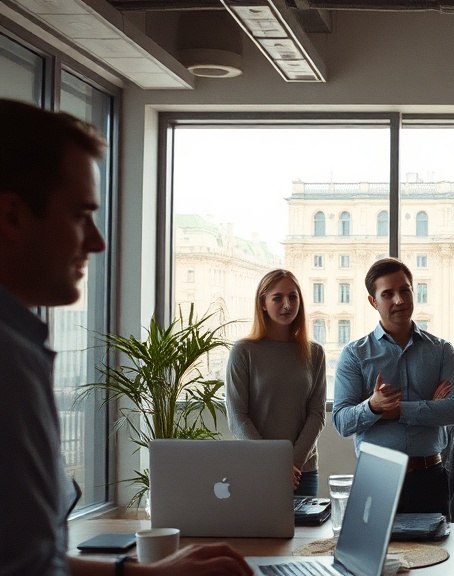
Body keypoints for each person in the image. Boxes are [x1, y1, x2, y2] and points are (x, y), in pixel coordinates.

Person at [0, 99, 252, 574]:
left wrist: (144, 573)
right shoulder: (9, 359)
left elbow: (31, 560)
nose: (96, 242)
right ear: (12, 216)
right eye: (80, 214)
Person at [333, 258, 454, 516]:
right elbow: (341, 422)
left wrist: (398, 411)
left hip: (430, 478)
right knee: (376, 556)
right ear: (373, 302)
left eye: (405, 290)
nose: (399, 300)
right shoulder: (354, 355)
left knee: (438, 554)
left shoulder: (441, 350)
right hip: (375, 479)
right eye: (388, 294)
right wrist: (373, 407)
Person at [226, 269, 326, 496]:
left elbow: (317, 414)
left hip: (302, 473)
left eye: (293, 297)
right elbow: (237, 418)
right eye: (277, 298)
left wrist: (291, 463)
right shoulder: (243, 351)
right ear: (262, 303)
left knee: (305, 532)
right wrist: (273, 464)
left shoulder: (314, 353)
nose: (287, 305)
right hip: (257, 470)